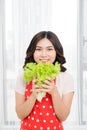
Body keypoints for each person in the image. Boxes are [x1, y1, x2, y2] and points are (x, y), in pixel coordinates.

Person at [15, 31, 74, 130]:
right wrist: (33, 94)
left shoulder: (66, 78)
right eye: (38, 49)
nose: (44, 54)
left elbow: (63, 116)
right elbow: (20, 115)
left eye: (49, 49)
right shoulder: (23, 77)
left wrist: (54, 92)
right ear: (32, 52)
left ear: (56, 51)